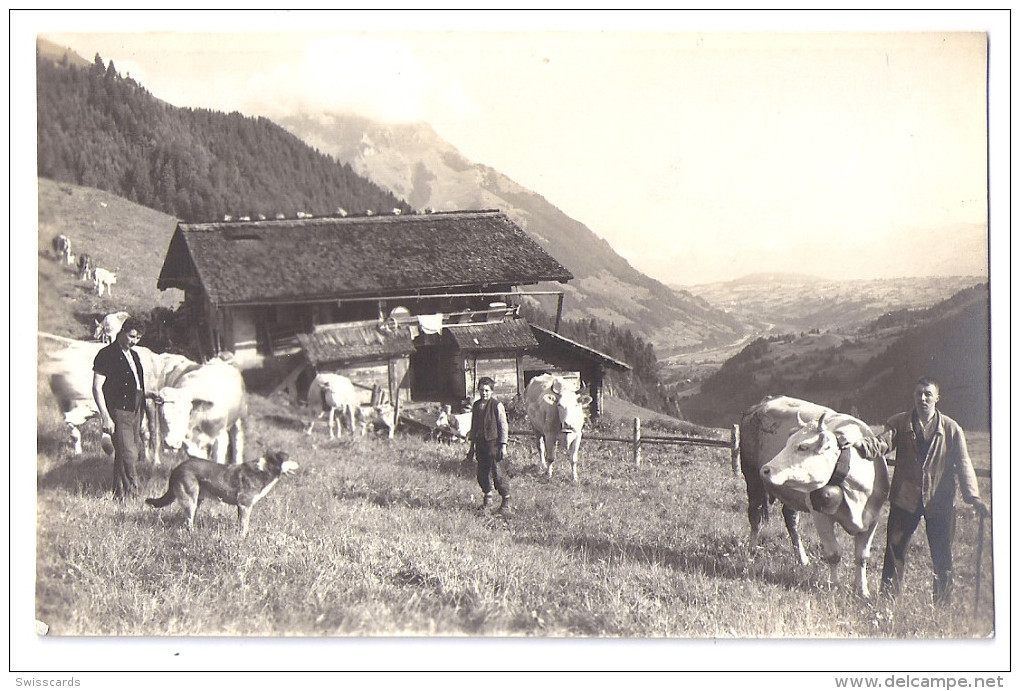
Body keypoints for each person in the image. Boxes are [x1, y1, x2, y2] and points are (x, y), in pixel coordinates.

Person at [852, 376, 989, 604]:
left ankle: (942, 604)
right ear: (913, 397)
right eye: (918, 394)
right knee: (895, 551)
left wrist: (973, 497)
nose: (923, 398)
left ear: (937, 398)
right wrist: (862, 446)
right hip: (905, 499)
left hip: (940, 502)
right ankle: (888, 601)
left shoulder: (951, 428)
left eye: (927, 394)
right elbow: (881, 444)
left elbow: (964, 463)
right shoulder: (899, 423)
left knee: (942, 555)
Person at [92, 316, 147, 500]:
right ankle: (134, 495)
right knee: (129, 453)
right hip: (119, 410)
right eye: (131, 336)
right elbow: (97, 387)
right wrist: (105, 416)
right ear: (122, 331)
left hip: (136, 407)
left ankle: (119, 494)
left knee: (126, 452)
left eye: (138, 338)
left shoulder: (135, 355)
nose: (134, 341)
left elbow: (137, 384)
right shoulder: (106, 354)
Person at [466, 377, 510, 515]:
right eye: (481, 390)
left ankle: (506, 502)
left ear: (491, 391)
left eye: (486, 390)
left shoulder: (497, 405)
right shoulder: (476, 405)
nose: (484, 393)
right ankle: (488, 499)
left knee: (497, 474)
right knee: (482, 473)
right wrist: (471, 446)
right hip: (480, 444)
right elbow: (474, 426)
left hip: (493, 444)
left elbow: (503, 426)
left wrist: (503, 445)